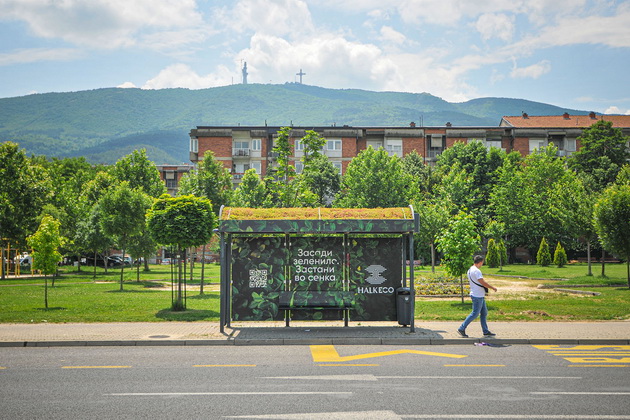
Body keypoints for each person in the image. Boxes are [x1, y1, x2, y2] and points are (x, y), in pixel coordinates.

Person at [457, 255, 497, 338]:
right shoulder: (477, 271)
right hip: (477, 295)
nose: (482, 264)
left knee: (484, 313)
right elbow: (482, 282)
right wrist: (492, 287)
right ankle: (461, 328)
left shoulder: (470, 269)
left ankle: (485, 331)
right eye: (482, 262)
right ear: (480, 262)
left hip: (478, 294)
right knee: (475, 313)